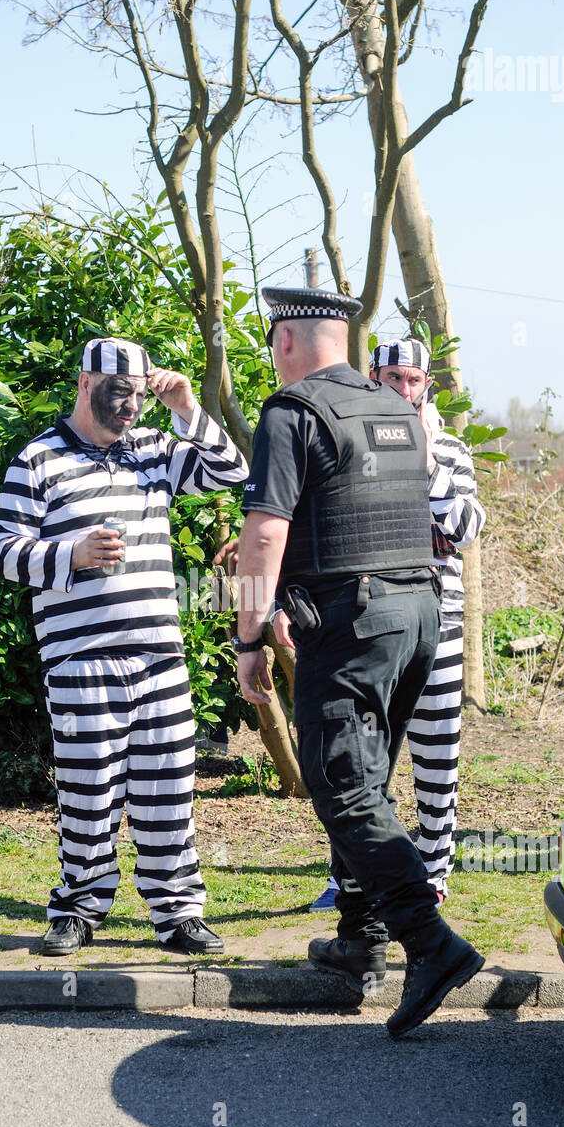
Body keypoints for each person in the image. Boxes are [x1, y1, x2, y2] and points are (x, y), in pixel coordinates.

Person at [232, 287, 483, 1039]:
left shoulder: (291, 412)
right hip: (418, 616)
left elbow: (263, 535)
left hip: (353, 625)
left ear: (284, 341)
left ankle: (430, 945)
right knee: (366, 780)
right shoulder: (397, 412)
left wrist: (248, 638)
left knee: (340, 788)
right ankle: (357, 939)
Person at [0, 336, 249, 955]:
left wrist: (186, 407)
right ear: (84, 384)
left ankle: (177, 913)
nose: (132, 406)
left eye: (139, 393)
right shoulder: (38, 459)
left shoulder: (155, 452)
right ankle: (78, 907)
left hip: (159, 655)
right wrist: (69, 555)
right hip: (78, 658)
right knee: (88, 788)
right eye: (118, 393)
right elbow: (3, 552)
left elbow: (232, 474)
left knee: (169, 788)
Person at [303, 338, 486, 909]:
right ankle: (352, 877)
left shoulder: (450, 449)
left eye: (412, 380)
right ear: (372, 378)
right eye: (391, 378)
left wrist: (428, 458)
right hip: (369, 624)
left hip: (441, 619)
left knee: (437, 757)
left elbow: (464, 528)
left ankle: (433, 868)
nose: (401, 390)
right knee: (364, 757)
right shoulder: (353, 441)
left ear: (427, 385)